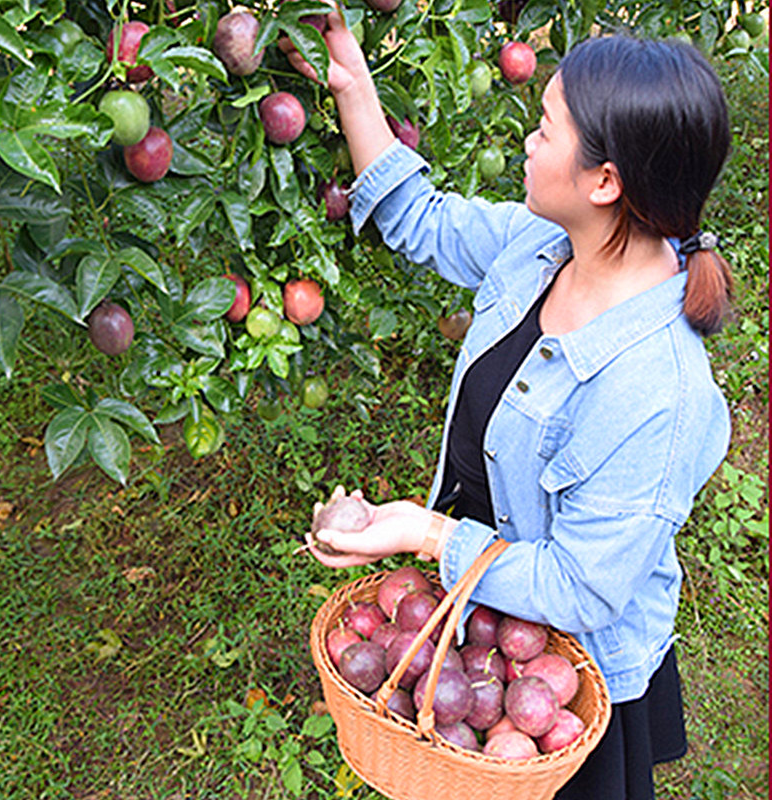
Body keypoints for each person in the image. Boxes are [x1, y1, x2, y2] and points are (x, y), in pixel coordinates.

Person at [282, 13, 733, 800]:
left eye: (546, 128)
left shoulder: (659, 393)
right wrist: (352, 82)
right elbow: (419, 217)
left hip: (561, 664)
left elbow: (580, 590)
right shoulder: (542, 244)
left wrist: (426, 533)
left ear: (605, 181)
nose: (527, 139)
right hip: (484, 622)